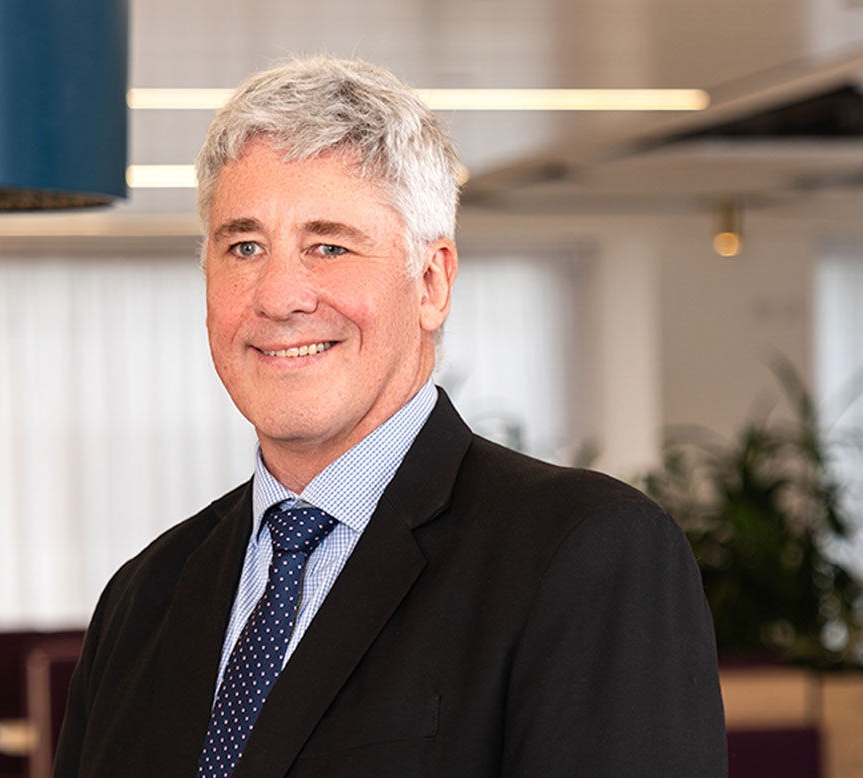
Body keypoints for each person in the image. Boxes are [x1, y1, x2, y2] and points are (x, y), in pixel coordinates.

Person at [53, 56, 727, 777]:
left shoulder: (584, 554)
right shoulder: (142, 600)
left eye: (330, 246)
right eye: (244, 246)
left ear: (432, 282)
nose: (280, 296)